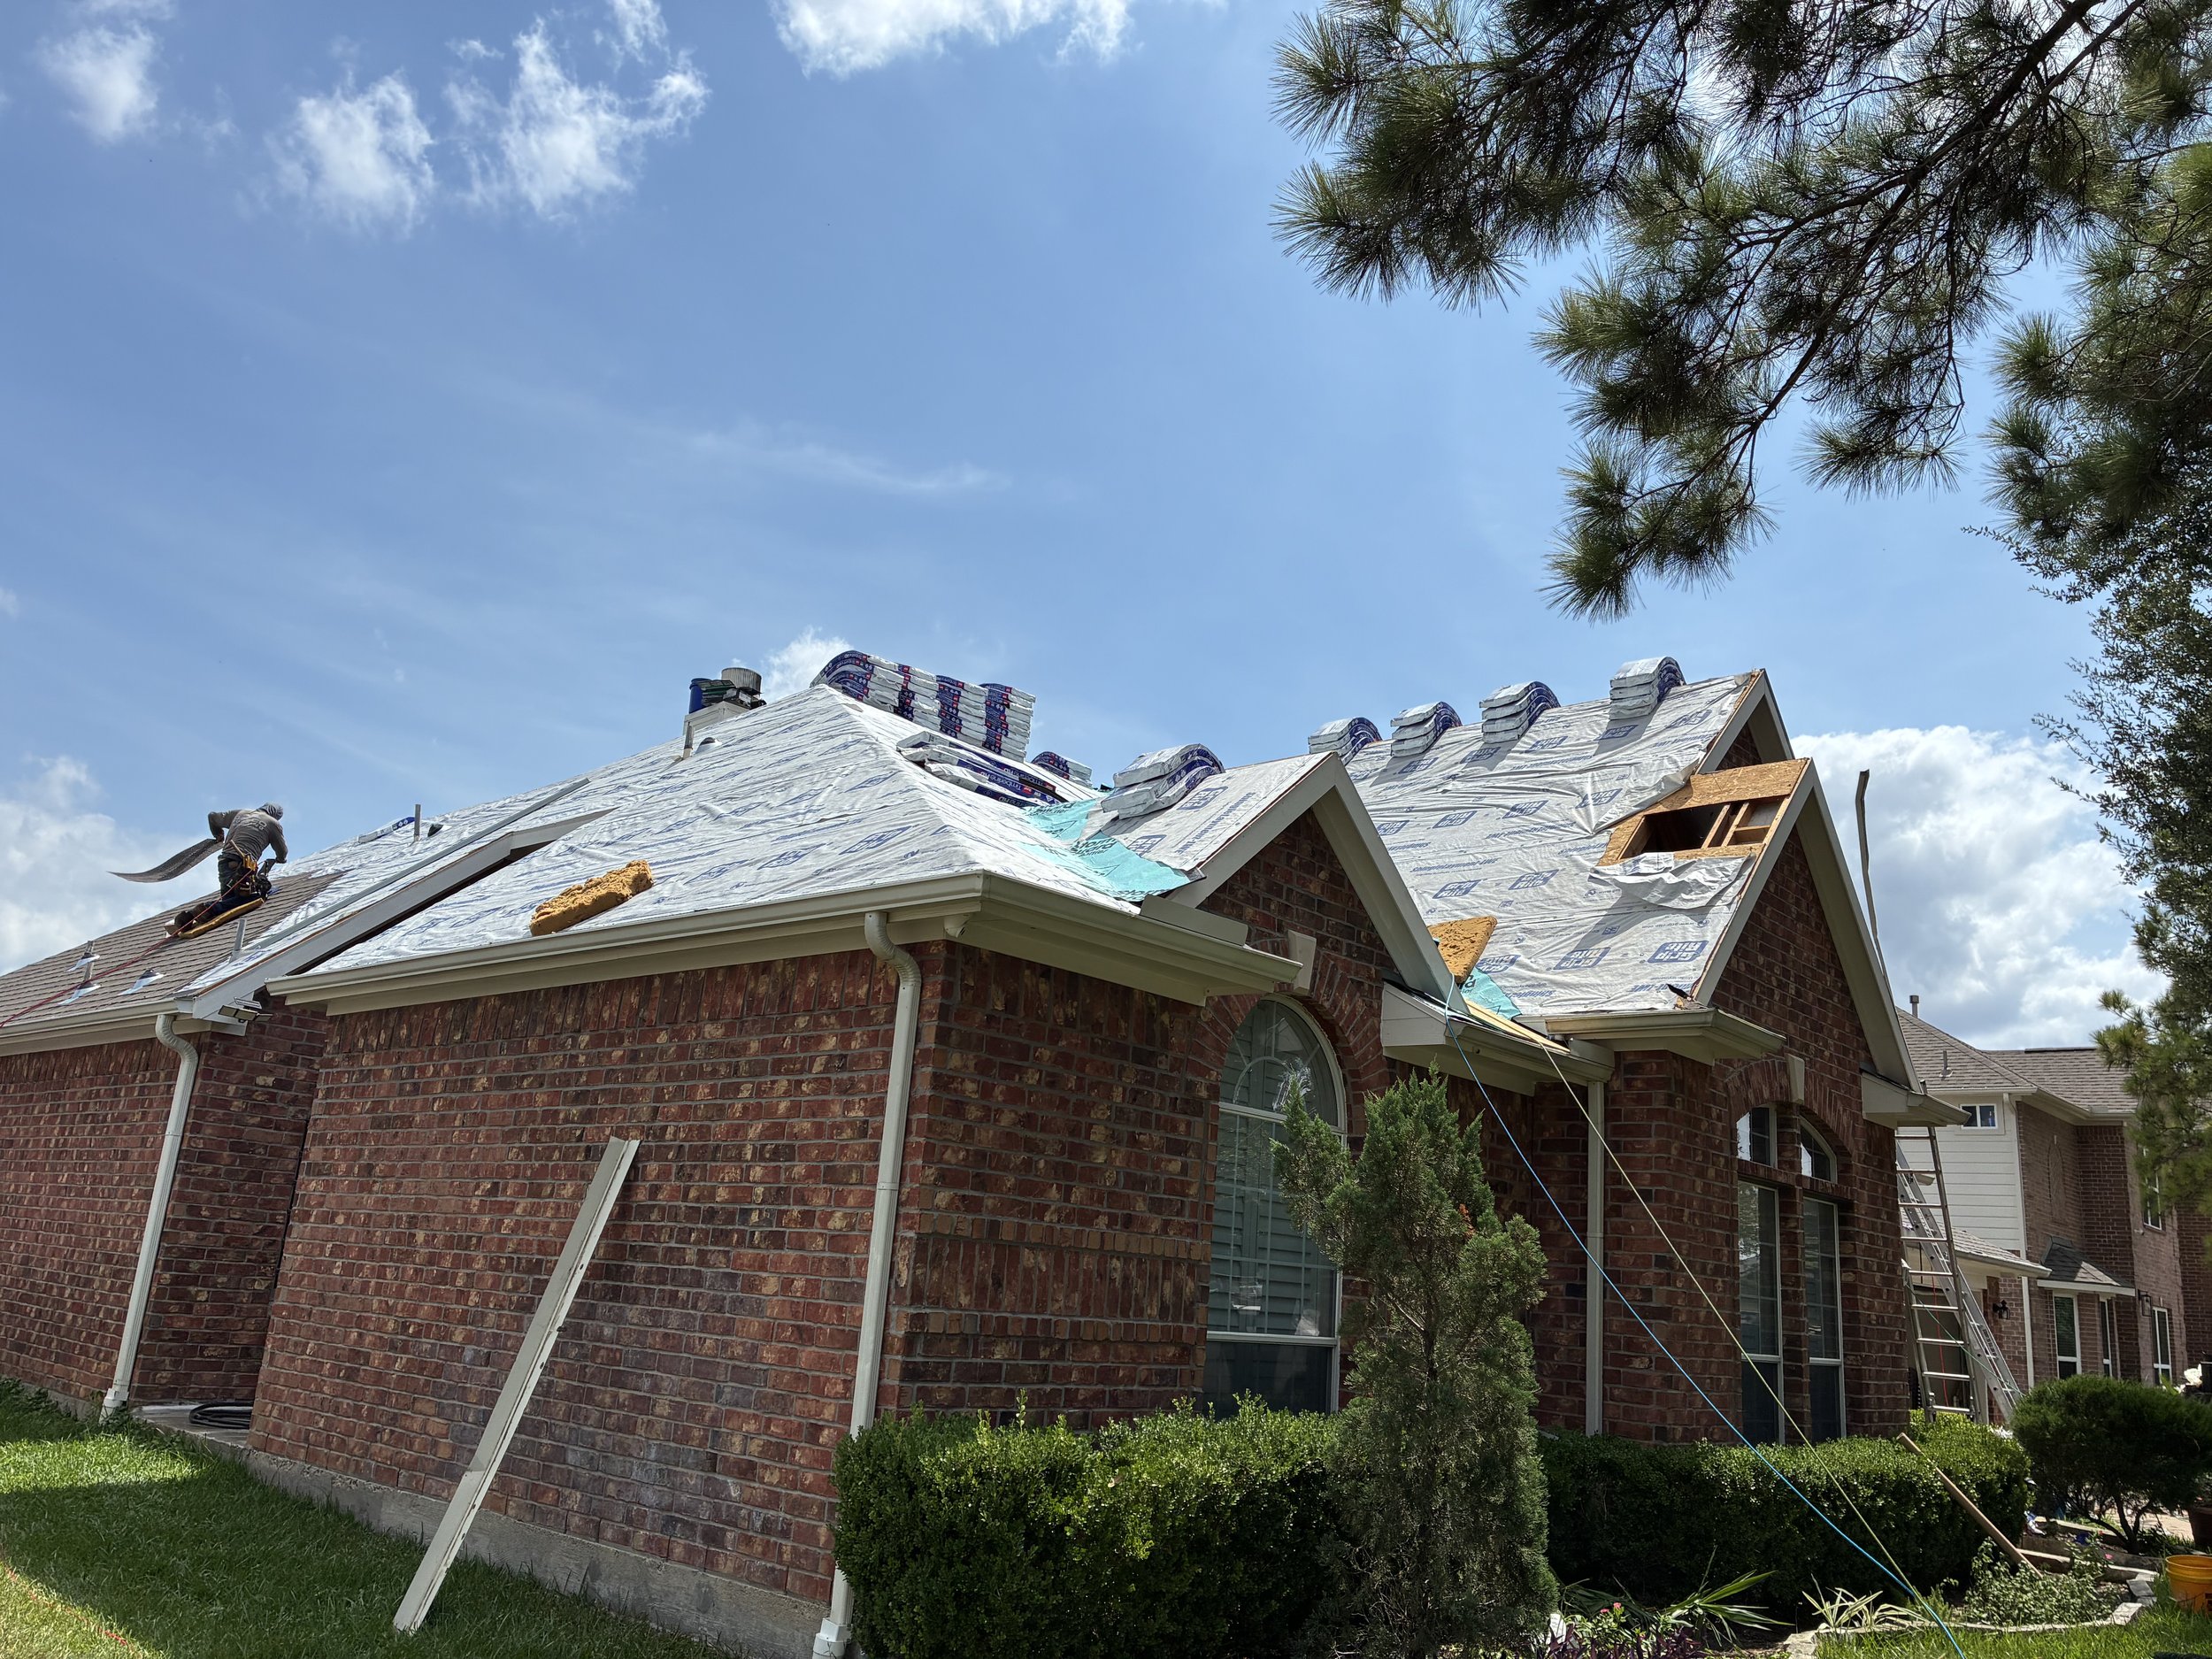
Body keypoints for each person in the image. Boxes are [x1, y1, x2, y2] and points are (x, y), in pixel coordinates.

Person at [170, 804, 286, 935]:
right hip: (243, 865)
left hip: (224, 862)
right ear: (276, 815)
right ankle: (206, 909)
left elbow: (212, 817)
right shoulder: (272, 823)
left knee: (229, 902)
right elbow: (282, 850)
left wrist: (218, 834)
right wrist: (280, 859)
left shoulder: (241, 813)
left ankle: (188, 917)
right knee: (253, 898)